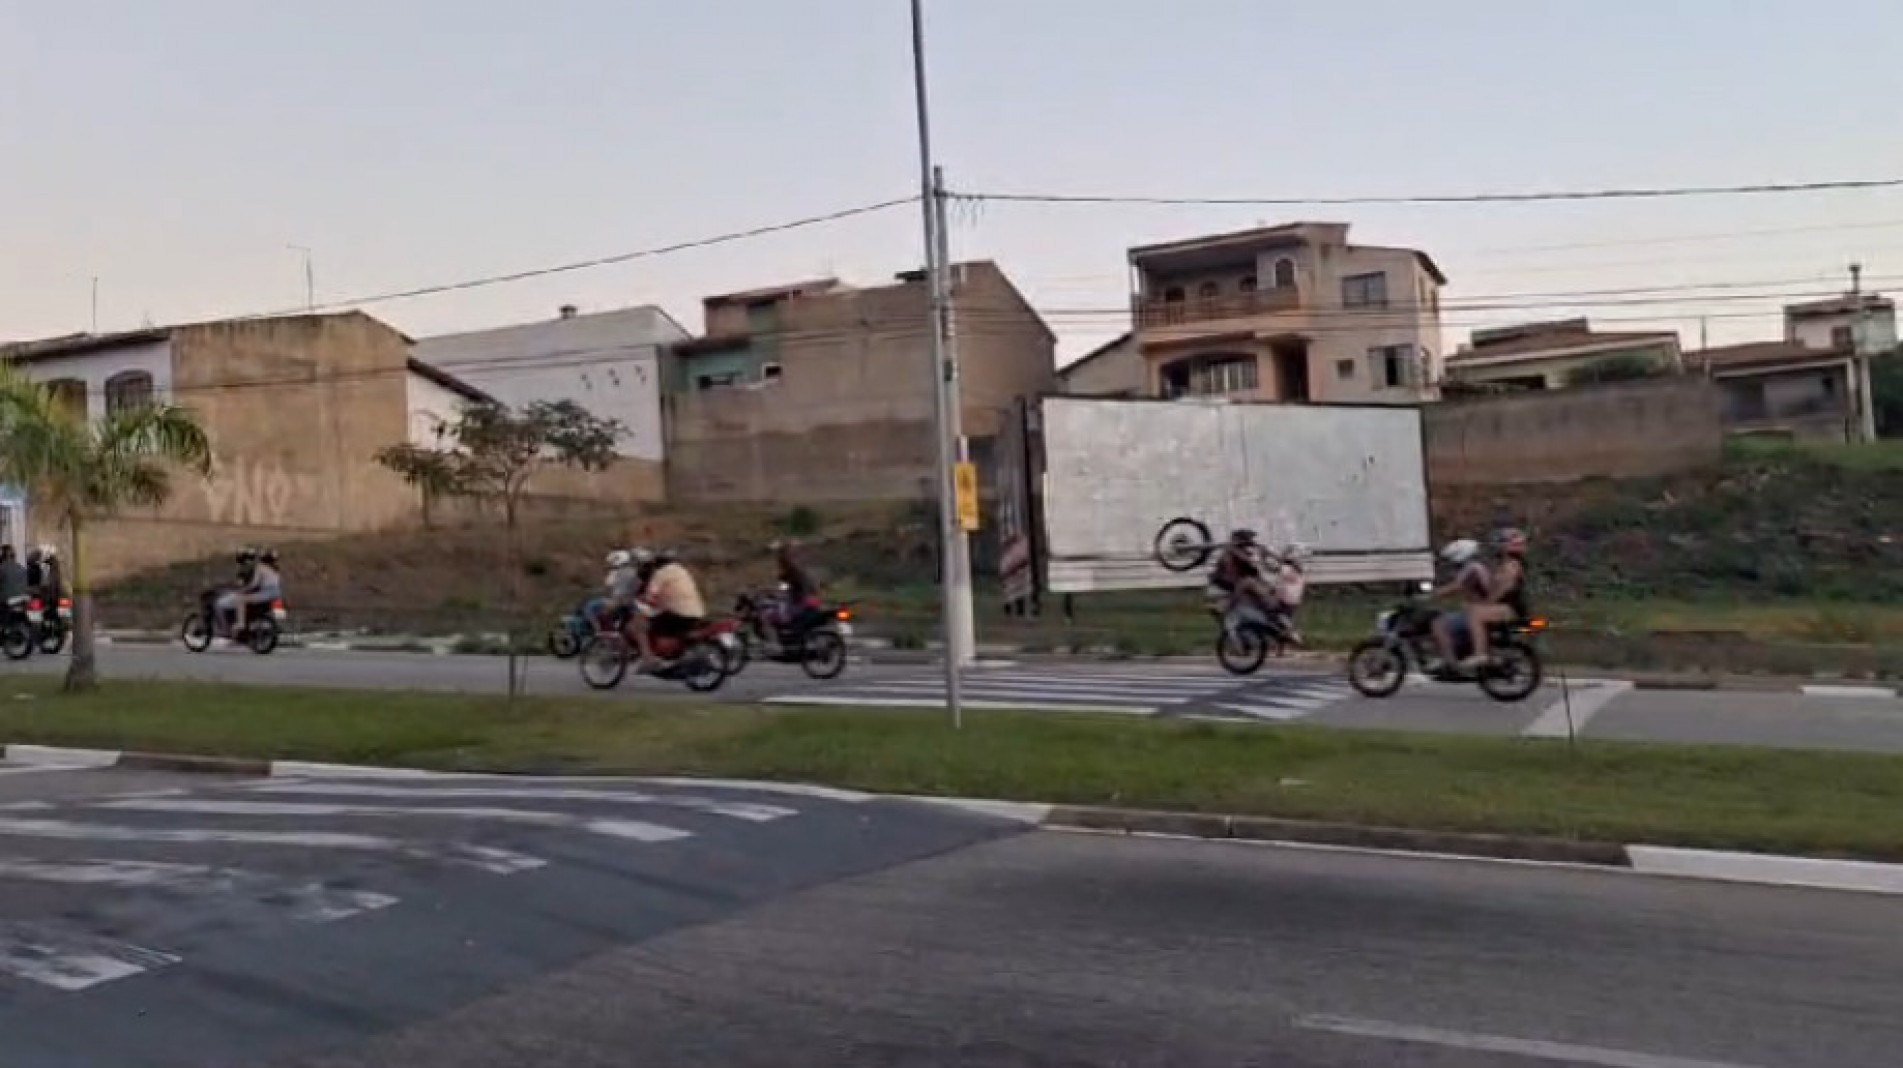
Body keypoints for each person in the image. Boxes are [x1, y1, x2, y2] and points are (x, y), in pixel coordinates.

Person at [1462, 528, 1530, 669]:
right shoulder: (1508, 564)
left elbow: (1504, 588)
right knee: (1472, 609)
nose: (1495, 546)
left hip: (1510, 609)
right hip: (1509, 607)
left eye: (1499, 543)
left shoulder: (1512, 565)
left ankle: (1480, 654)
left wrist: (1488, 602)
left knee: (1475, 614)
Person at [632, 550, 706, 671]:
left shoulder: (661, 573)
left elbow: (650, 597)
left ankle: (648, 659)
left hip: (677, 613)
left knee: (638, 625)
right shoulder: (682, 571)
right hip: (697, 612)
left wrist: (645, 601)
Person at [1429, 538, 1491, 669]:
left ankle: (1449, 662)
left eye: (1451, 558)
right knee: (1447, 616)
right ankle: (1458, 652)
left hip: (1477, 611)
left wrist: (1433, 594)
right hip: (1477, 609)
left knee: (1438, 623)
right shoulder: (1475, 567)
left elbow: (1456, 586)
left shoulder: (1472, 568)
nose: (1451, 563)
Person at [1209, 529, 1277, 619]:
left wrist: (1268, 555)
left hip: (1238, 580)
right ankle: (1224, 606)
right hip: (1226, 580)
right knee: (1249, 583)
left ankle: (1269, 610)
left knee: (1268, 590)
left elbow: (1259, 567)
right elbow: (1244, 562)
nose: (1251, 541)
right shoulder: (1231, 551)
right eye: (1248, 539)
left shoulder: (1245, 551)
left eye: (1251, 539)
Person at [770, 540, 820, 634]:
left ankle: (793, 632)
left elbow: (785, 587)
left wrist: (780, 591)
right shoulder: (796, 571)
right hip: (805, 597)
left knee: (781, 612)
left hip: (800, 599)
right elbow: (785, 586)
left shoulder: (791, 571)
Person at [233, 548, 282, 635]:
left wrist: (245, 589)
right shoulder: (275, 569)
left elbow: (255, 583)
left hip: (266, 593)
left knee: (240, 600)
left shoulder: (260, 567)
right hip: (276, 594)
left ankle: (241, 624)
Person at [214, 548, 257, 636]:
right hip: (256, 596)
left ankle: (225, 629)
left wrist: (227, 585)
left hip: (244, 596)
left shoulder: (244, 568)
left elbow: (239, 584)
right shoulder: (259, 568)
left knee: (219, 604)